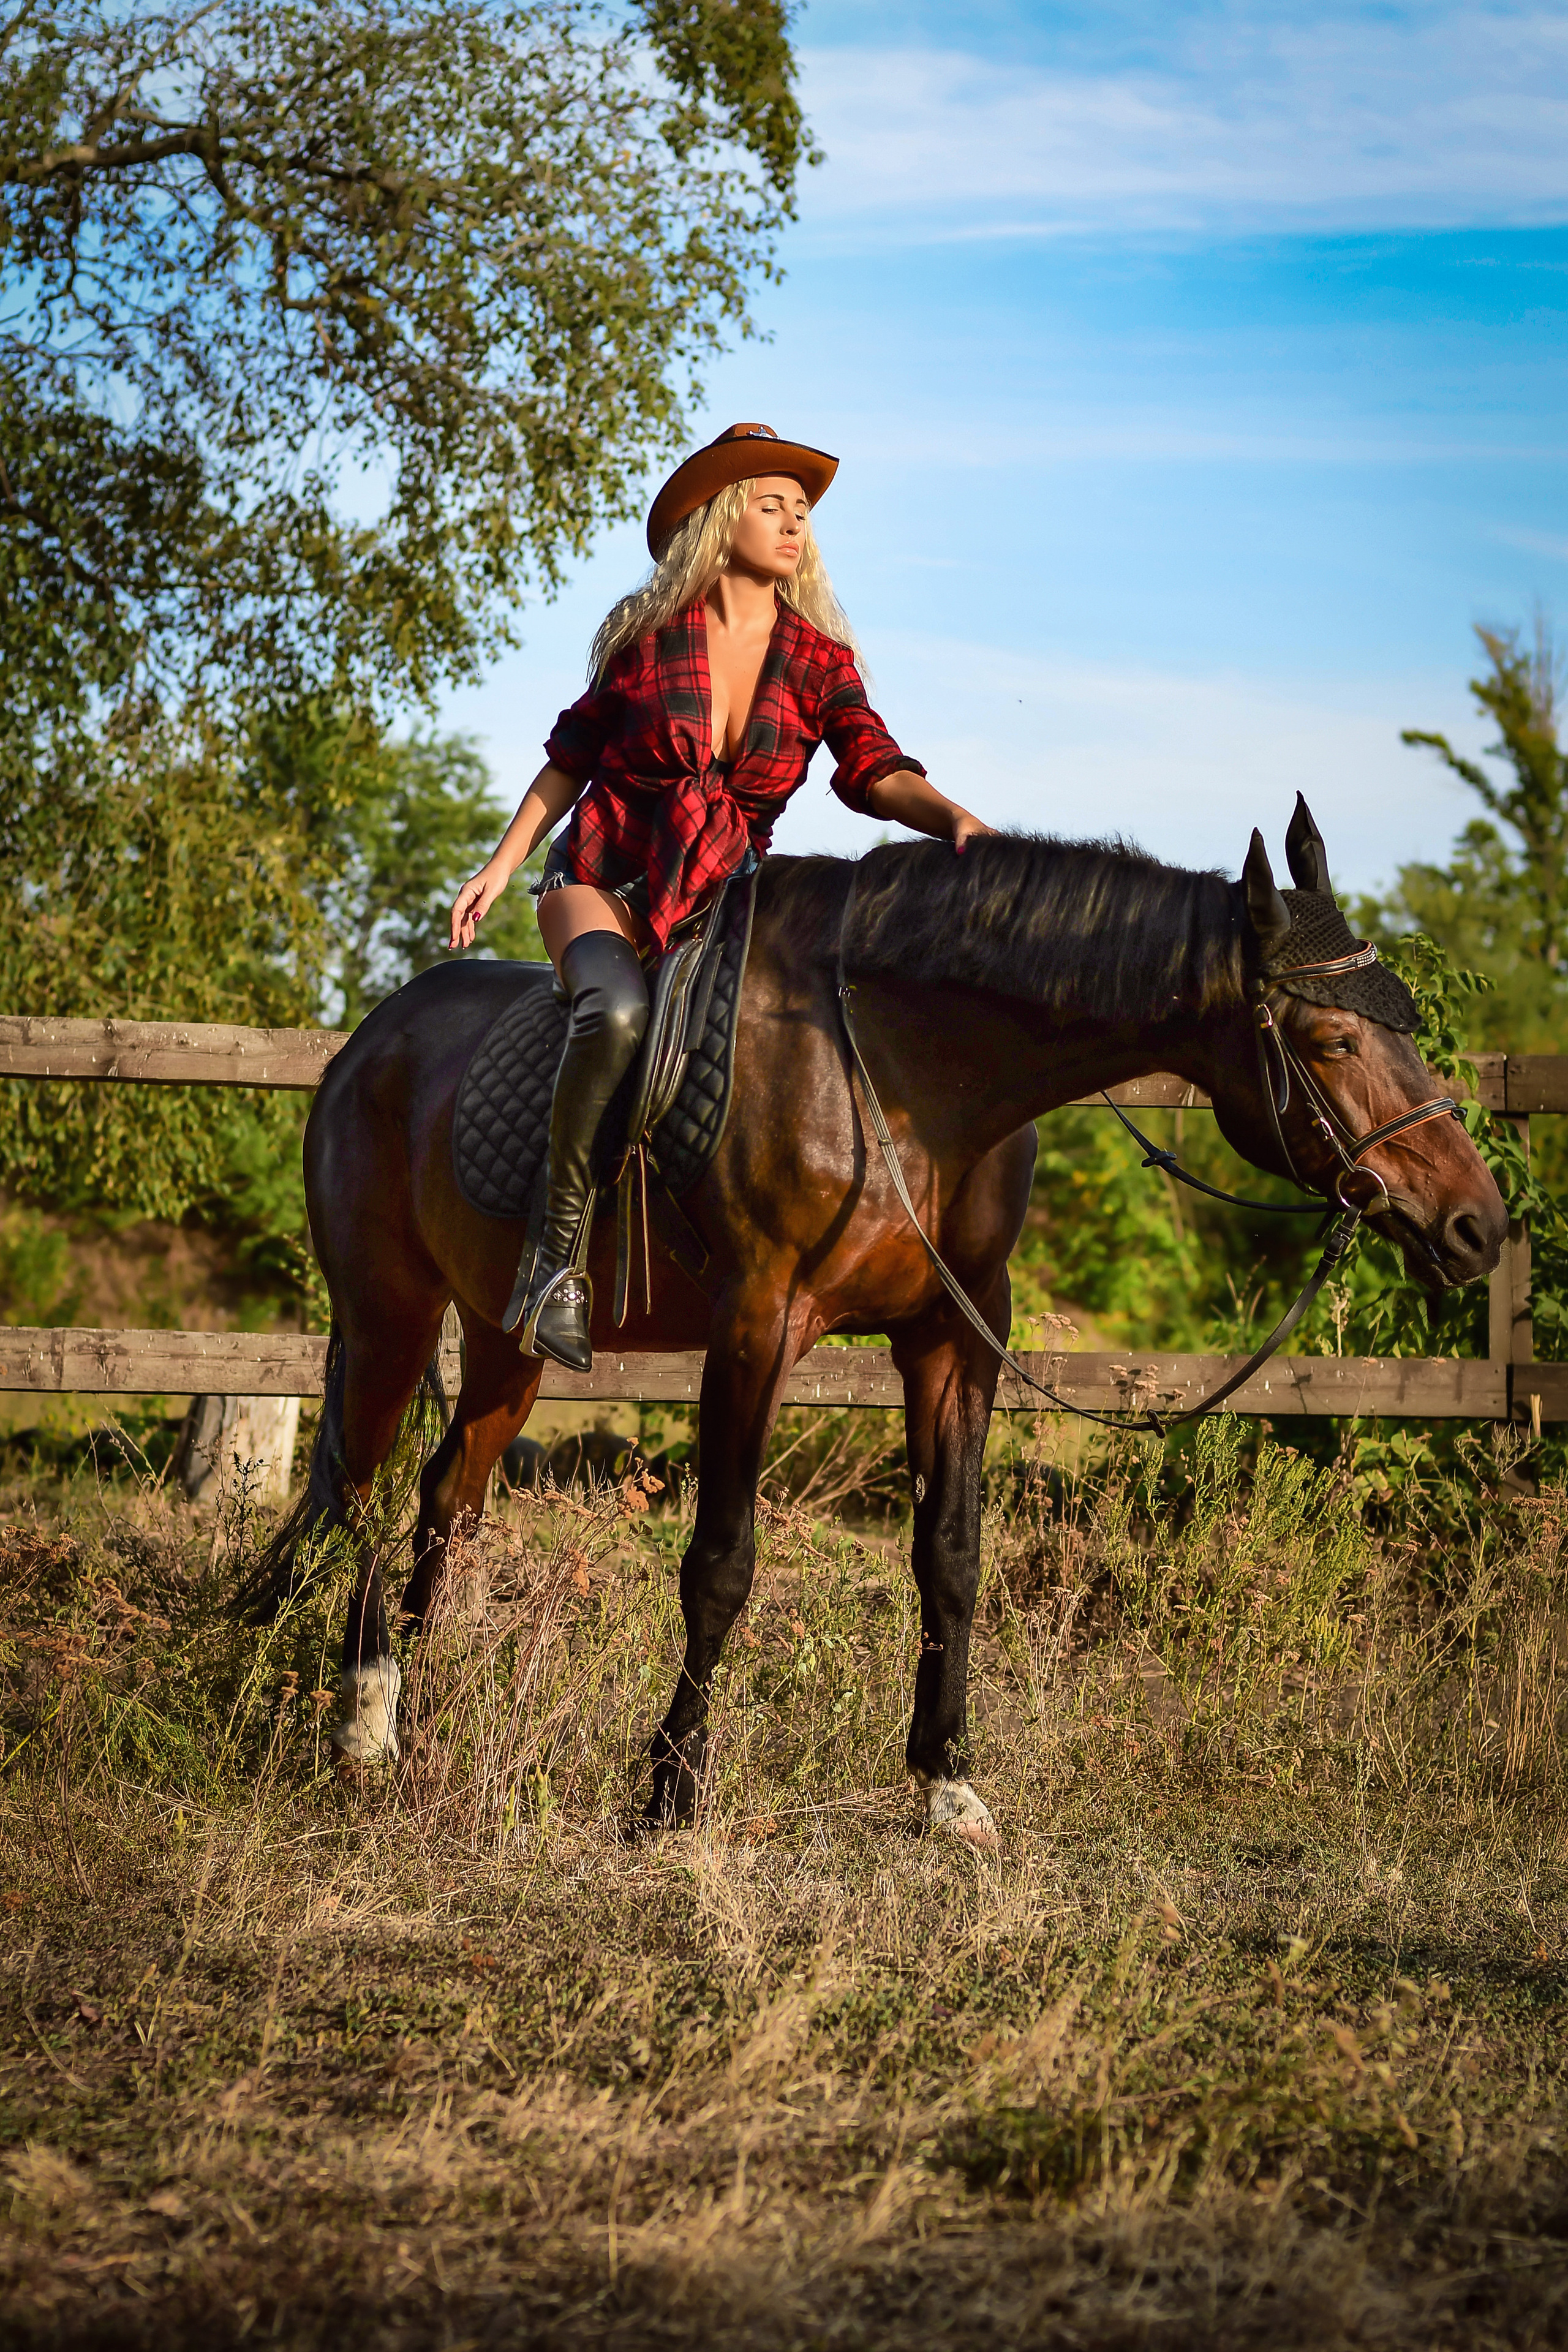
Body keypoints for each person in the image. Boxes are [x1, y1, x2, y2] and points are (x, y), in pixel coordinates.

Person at [448, 421, 992, 1373]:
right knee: (614, 1012)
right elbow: (568, 762)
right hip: (606, 880)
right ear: (720, 518)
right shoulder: (646, 638)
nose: (795, 524)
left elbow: (873, 767)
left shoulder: (821, 660)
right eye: (772, 504)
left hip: (726, 894)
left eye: (803, 512)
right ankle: (554, 1261)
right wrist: (499, 866)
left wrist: (950, 818)